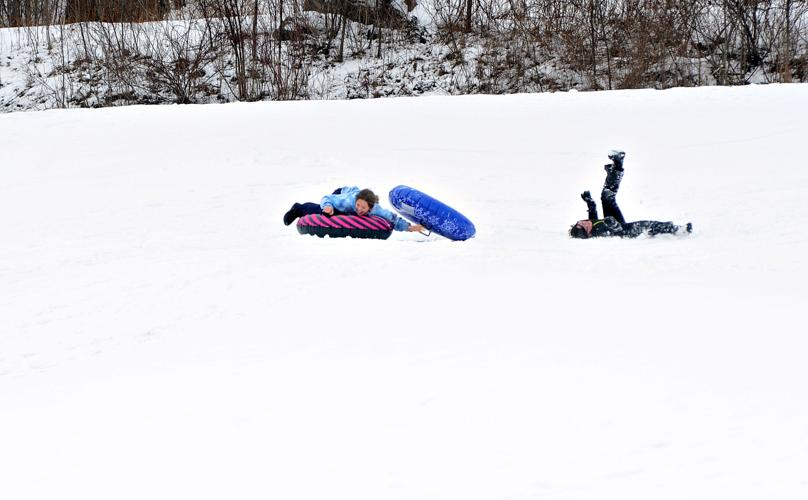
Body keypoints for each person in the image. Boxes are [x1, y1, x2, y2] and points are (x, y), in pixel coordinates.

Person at [569, 151, 692, 239]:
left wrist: (590, 204)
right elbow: (616, 231)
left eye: (581, 222)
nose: (585, 222)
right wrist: (613, 224)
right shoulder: (599, 233)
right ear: (589, 234)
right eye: (585, 226)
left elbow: (593, 219)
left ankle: (617, 167)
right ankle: (677, 230)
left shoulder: (589, 224)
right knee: (647, 225)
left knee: (606, 196)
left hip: (611, 222)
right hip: (624, 231)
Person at [283, 186, 425, 232]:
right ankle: (298, 208)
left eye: (363, 208)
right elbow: (327, 197)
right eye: (358, 205)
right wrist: (327, 207)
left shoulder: (375, 209)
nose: (359, 209)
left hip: (355, 194)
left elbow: (391, 218)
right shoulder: (348, 201)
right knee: (324, 212)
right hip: (340, 194)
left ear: (370, 207)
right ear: (356, 202)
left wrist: (409, 227)